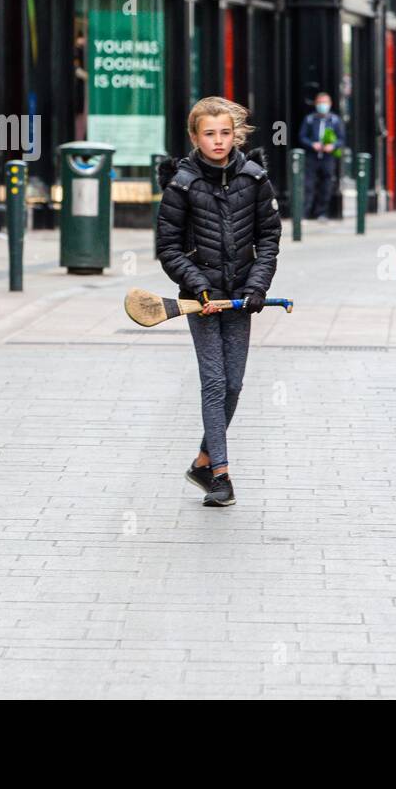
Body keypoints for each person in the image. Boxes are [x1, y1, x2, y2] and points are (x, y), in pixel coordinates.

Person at [156, 96, 282, 507]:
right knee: (213, 383)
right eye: (209, 133)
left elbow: (269, 238)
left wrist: (257, 286)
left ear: (236, 134)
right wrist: (200, 288)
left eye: (225, 133)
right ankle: (222, 476)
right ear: (195, 136)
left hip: (241, 300)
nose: (218, 141)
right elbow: (168, 248)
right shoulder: (181, 184)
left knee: (233, 384)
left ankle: (202, 461)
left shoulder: (255, 178)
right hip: (201, 300)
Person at [297, 91, 346, 222]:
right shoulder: (310, 119)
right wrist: (312, 144)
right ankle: (305, 213)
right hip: (312, 156)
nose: (322, 105)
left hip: (328, 158)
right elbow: (302, 137)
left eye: (325, 102)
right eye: (320, 102)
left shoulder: (335, 120)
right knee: (309, 185)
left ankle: (322, 213)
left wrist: (333, 146)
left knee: (326, 185)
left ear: (330, 104)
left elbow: (341, 138)